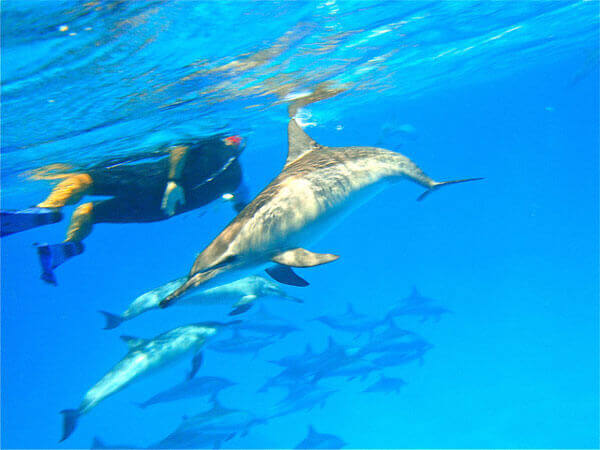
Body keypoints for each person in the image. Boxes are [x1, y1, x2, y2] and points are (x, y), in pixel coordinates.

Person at [1, 134, 249, 284]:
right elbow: (245, 211)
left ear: (231, 141)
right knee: (89, 212)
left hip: (155, 181)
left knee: (82, 180)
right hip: (159, 212)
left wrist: (173, 181)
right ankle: (69, 246)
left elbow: (180, 146)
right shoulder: (238, 180)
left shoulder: (213, 142)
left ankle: (46, 209)